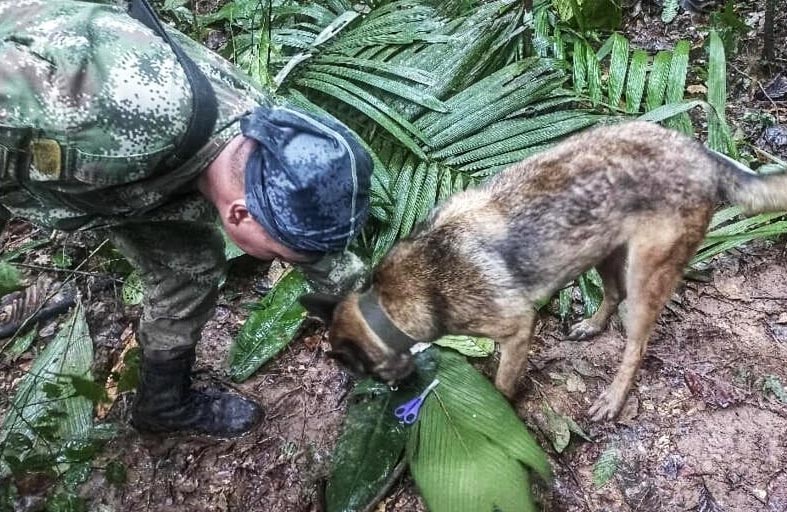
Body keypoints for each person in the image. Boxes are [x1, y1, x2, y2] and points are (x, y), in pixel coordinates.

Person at [0, 0, 372, 436]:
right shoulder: (107, 128)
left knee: (188, 270)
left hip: (115, 170)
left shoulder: (266, 140)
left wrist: (371, 326)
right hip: (32, 111)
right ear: (239, 213)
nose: (286, 261)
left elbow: (312, 247)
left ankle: (162, 405)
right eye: (278, 256)